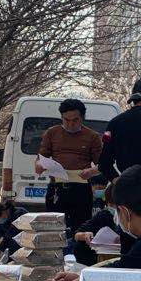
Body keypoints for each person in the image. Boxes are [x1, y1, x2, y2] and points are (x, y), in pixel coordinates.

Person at [38, 98, 103, 234]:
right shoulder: (51, 133)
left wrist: (91, 171)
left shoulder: (92, 136)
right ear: (61, 117)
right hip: (57, 187)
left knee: (81, 228)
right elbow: (41, 158)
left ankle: (78, 247)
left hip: (81, 188)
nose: (70, 124)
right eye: (66, 120)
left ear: (82, 118)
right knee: (53, 229)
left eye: (75, 120)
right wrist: (39, 165)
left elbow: (102, 165)